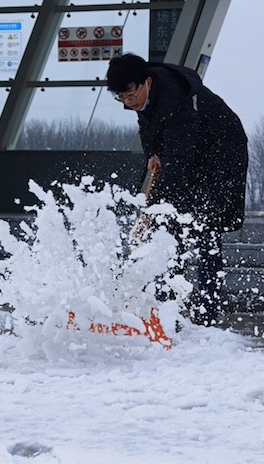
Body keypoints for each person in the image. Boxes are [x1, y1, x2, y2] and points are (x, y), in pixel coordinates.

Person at [106, 53, 248, 327]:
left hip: (221, 153)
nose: (127, 102)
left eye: (130, 94)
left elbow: (180, 161)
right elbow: (148, 126)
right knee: (171, 230)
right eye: (120, 97)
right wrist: (153, 152)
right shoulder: (142, 97)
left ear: (146, 82)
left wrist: (153, 208)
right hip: (190, 153)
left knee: (206, 227)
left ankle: (207, 311)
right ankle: (167, 305)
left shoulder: (176, 98)